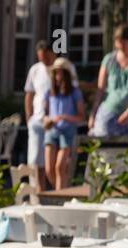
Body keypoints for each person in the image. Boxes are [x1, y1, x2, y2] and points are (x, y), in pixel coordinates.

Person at [24, 41, 77, 182]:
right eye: (41, 58)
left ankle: (59, 192)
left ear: (53, 54)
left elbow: (73, 93)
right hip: (39, 119)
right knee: (37, 161)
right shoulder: (35, 69)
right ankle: (38, 193)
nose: (44, 61)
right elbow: (29, 93)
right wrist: (29, 116)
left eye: (46, 57)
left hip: (60, 123)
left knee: (59, 165)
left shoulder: (65, 68)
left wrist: (68, 117)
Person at [90, 22, 128, 139]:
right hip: (109, 112)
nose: (122, 45)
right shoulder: (109, 60)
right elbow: (100, 90)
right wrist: (93, 113)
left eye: (125, 42)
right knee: (102, 147)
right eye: (119, 42)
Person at [43, 59, 85, 190]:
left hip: (67, 131)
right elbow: (45, 114)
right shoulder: (50, 92)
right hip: (52, 130)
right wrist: (47, 120)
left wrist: (65, 117)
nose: (58, 77)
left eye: (61, 73)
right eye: (56, 73)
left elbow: (81, 116)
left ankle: (60, 196)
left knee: (60, 167)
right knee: (49, 169)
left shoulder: (74, 92)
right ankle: (61, 191)